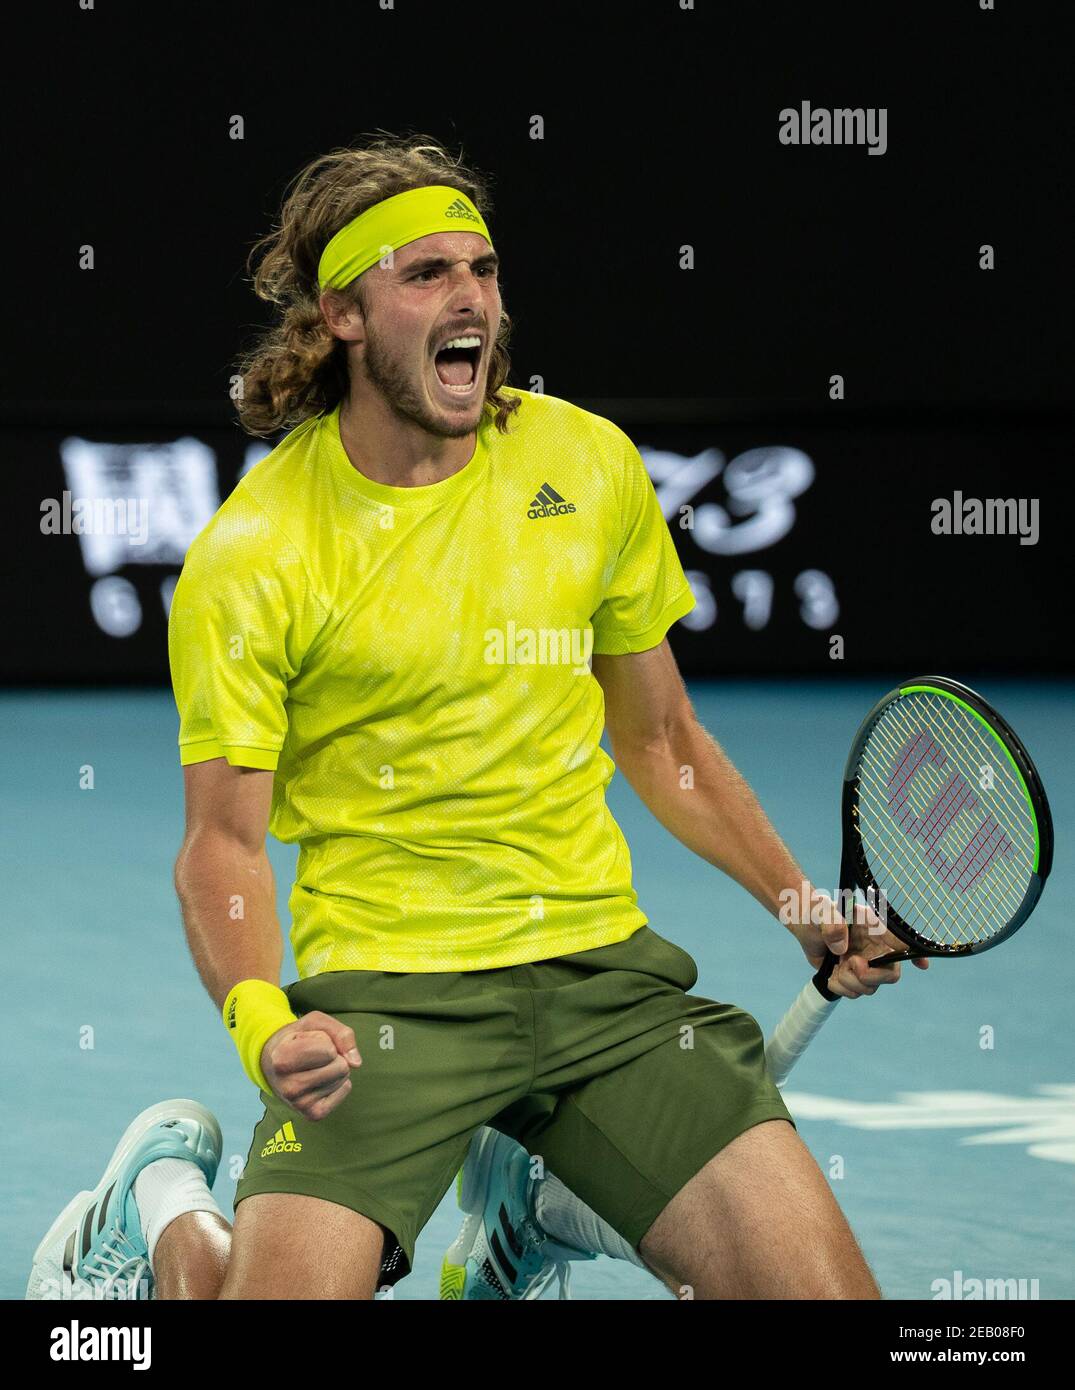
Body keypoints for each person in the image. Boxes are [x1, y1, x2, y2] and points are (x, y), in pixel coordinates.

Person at [28, 133, 923, 1303]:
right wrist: (261, 1023)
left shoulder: (585, 465)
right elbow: (223, 845)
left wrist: (801, 903)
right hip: (386, 1004)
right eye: (427, 274)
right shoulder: (256, 553)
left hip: (602, 982)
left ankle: (522, 1210)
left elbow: (660, 742)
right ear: (344, 315)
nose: (473, 300)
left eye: (484, 269)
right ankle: (162, 1210)